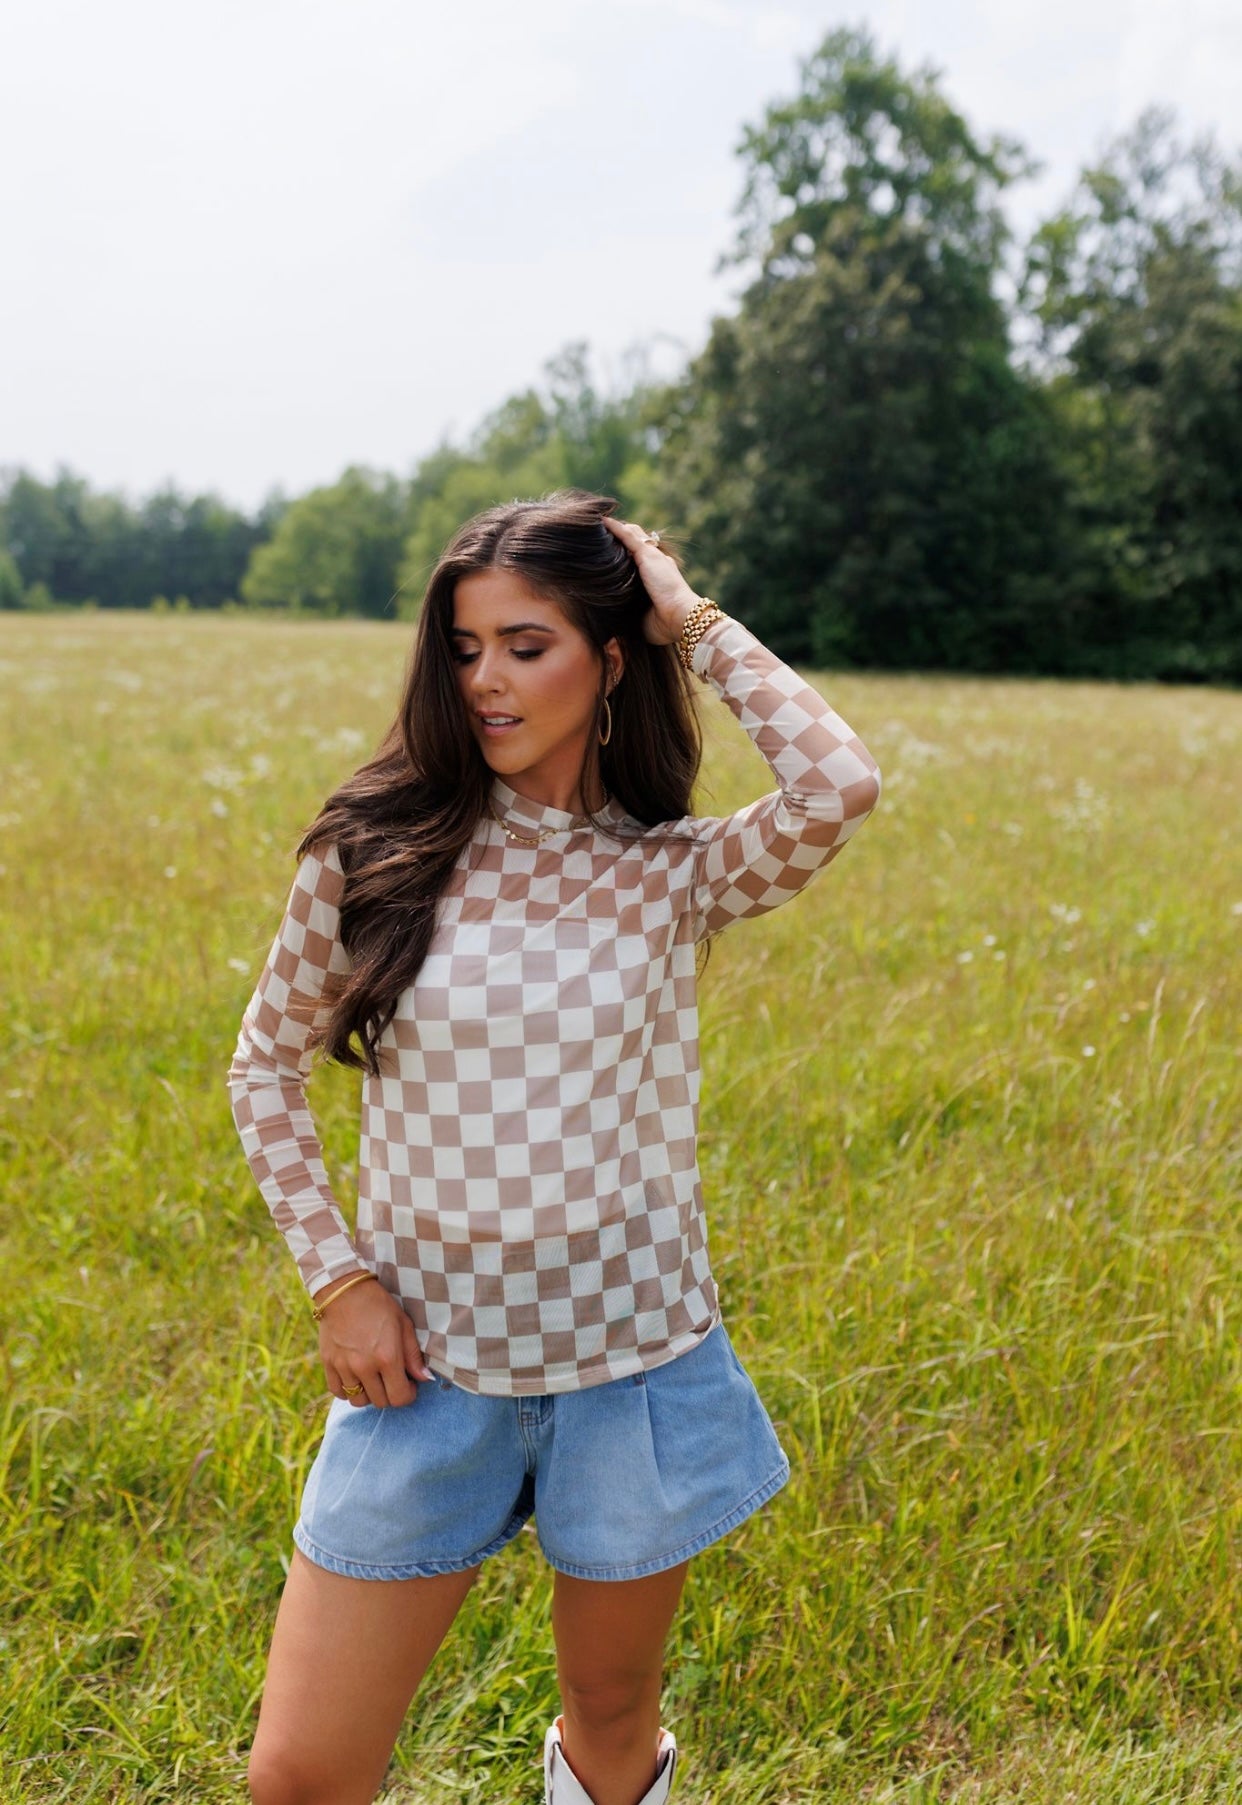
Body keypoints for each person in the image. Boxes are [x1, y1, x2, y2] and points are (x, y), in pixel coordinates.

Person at [227, 489, 881, 1805]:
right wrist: (337, 1276)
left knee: (608, 1716)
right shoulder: (375, 852)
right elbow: (262, 1067)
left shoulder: (669, 870)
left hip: (634, 1370)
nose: (484, 679)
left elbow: (838, 781)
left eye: (526, 644)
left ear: (610, 656)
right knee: (299, 1773)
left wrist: (688, 614)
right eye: (464, 648)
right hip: (426, 1375)